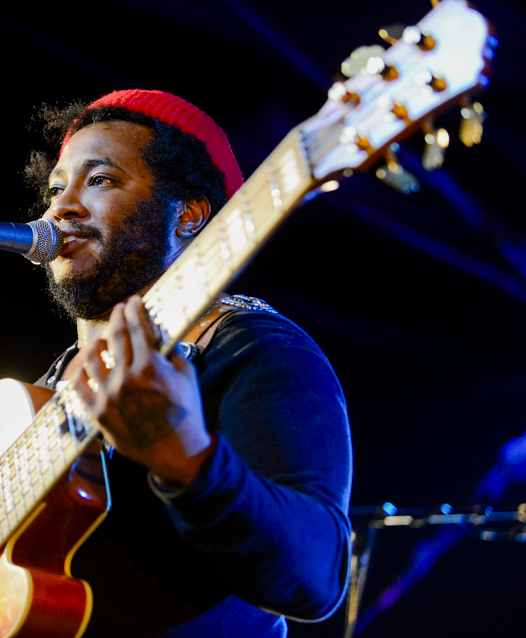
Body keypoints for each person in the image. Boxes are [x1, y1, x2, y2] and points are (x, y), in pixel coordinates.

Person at [25, 89, 353, 637]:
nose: (61, 206)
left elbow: (317, 577)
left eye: (100, 179)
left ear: (189, 215)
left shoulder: (252, 348)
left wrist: (190, 462)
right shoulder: (45, 390)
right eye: (57, 187)